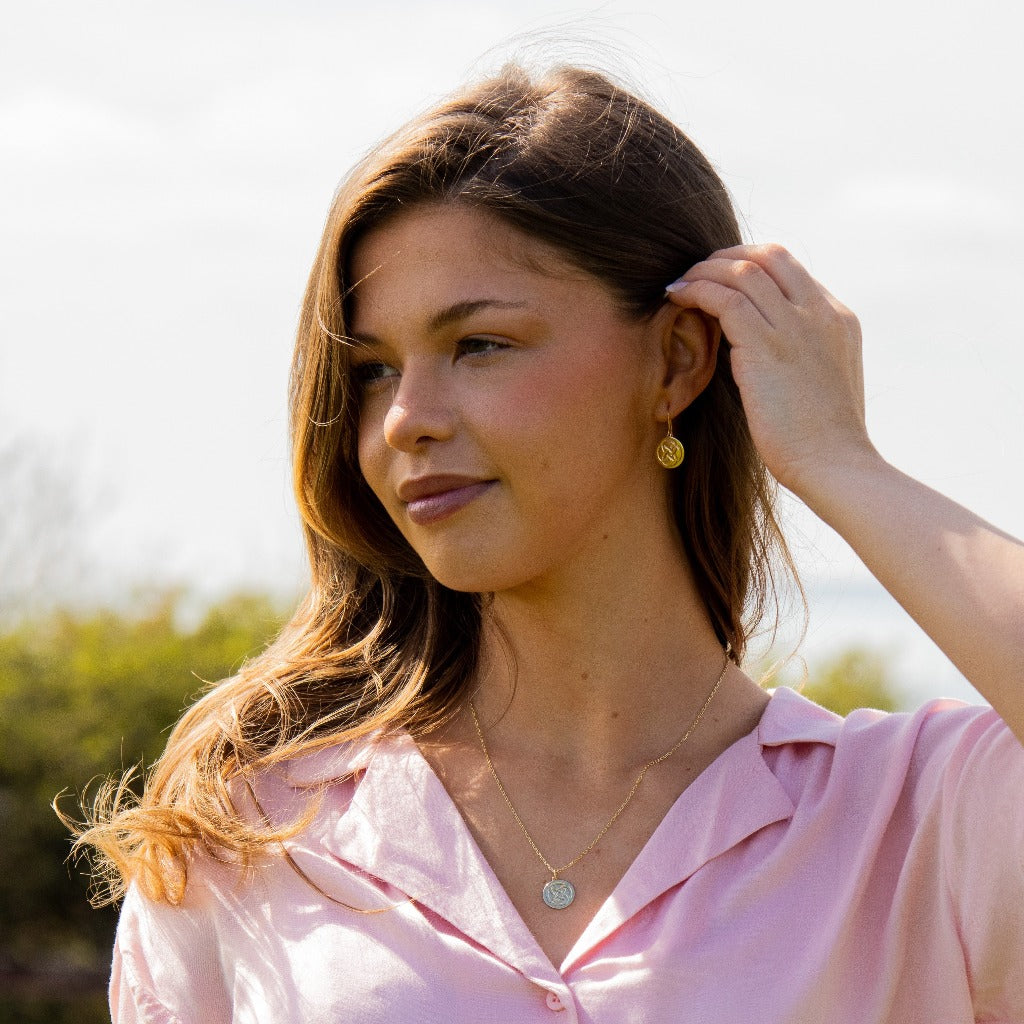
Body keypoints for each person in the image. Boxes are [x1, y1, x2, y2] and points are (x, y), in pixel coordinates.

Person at [78, 63, 1024, 1021]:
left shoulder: (923, 820)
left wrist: (838, 460)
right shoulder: (250, 829)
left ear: (678, 358)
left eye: (479, 345)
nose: (405, 419)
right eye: (371, 371)